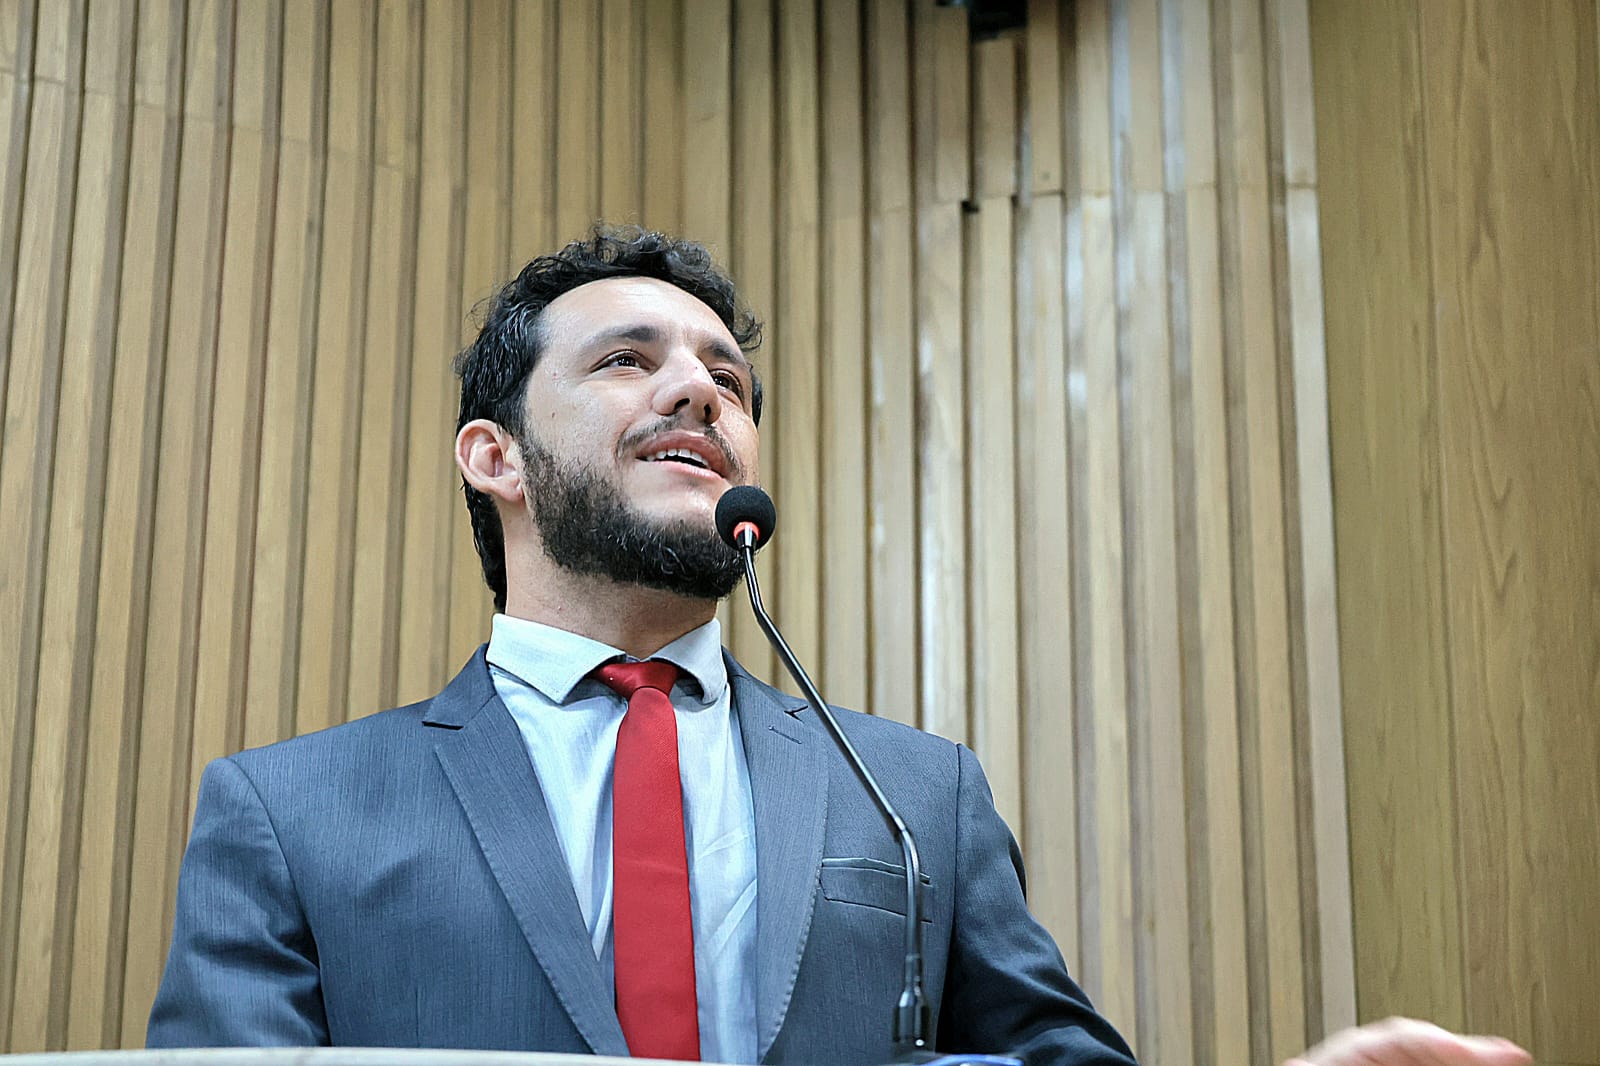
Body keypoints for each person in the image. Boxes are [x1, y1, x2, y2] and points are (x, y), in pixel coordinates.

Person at [148, 228, 1530, 1066]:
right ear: (493, 455)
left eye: (728, 379)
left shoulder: (916, 794)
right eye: (628, 360)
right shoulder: (289, 812)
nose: (701, 389)